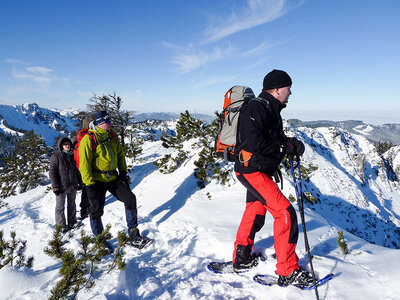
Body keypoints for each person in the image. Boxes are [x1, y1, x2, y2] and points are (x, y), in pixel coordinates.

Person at [232, 69, 312, 288]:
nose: (291, 92)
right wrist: (283, 146)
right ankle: (288, 271)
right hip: (252, 170)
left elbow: (274, 139)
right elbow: (252, 143)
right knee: (285, 213)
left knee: (255, 210)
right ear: (277, 89)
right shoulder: (256, 107)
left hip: (256, 170)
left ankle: (242, 257)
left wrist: (290, 144)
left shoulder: (271, 109)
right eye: (288, 87)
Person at [78, 110, 149, 248]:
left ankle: (134, 235)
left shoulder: (112, 135)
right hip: (96, 180)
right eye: (107, 121)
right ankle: (100, 240)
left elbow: (120, 155)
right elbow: (84, 165)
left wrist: (122, 172)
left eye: (110, 121)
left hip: (113, 177)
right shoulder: (89, 139)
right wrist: (89, 184)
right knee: (96, 210)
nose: (110, 123)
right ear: (100, 123)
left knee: (130, 199)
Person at [49, 136, 81, 232]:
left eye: (68, 144)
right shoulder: (56, 157)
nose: (67, 146)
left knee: (72, 204)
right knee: (60, 206)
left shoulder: (73, 155)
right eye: (64, 144)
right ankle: (61, 225)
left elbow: (77, 170)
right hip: (61, 186)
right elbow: (53, 172)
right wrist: (55, 186)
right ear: (61, 146)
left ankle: (72, 222)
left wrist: (80, 182)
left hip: (72, 185)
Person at [72, 116, 92, 220]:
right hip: (88, 165)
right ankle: (87, 208)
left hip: (79, 166)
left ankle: (84, 209)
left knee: (85, 187)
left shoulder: (78, 136)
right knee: (89, 187)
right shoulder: (91, 135)